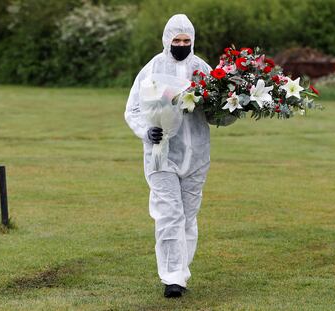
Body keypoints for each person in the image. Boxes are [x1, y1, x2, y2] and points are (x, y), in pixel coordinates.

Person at [124, 14, 235, 298]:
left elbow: (215, 115)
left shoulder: (202, 69)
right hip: (162, 154)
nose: (182, 45)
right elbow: (134, 109)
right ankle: (172, 278)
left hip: (196, 154)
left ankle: (181, 271)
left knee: (188, 214)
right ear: (166, 40)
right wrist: (146, 131)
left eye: (186, 40)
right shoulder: (152, 69)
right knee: (169, 214)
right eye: (177, 40)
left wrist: (234, 107)